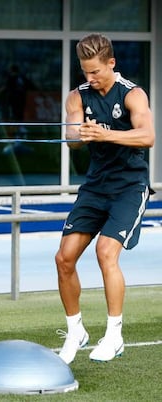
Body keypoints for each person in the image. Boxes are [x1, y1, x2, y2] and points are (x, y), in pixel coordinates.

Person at [55, 33, 155, 363]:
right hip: (95, 186)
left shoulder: (132, 95)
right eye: (85, 72)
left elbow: (148, 136)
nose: (90, 78)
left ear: (111, 63)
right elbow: (71, 139)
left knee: (105, 252)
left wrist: (105, 133)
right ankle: (75, 331)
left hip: (129, 186)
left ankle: (114, 335)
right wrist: (79, 135)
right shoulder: (77, 97)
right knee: (64, 258)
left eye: (96, 71)